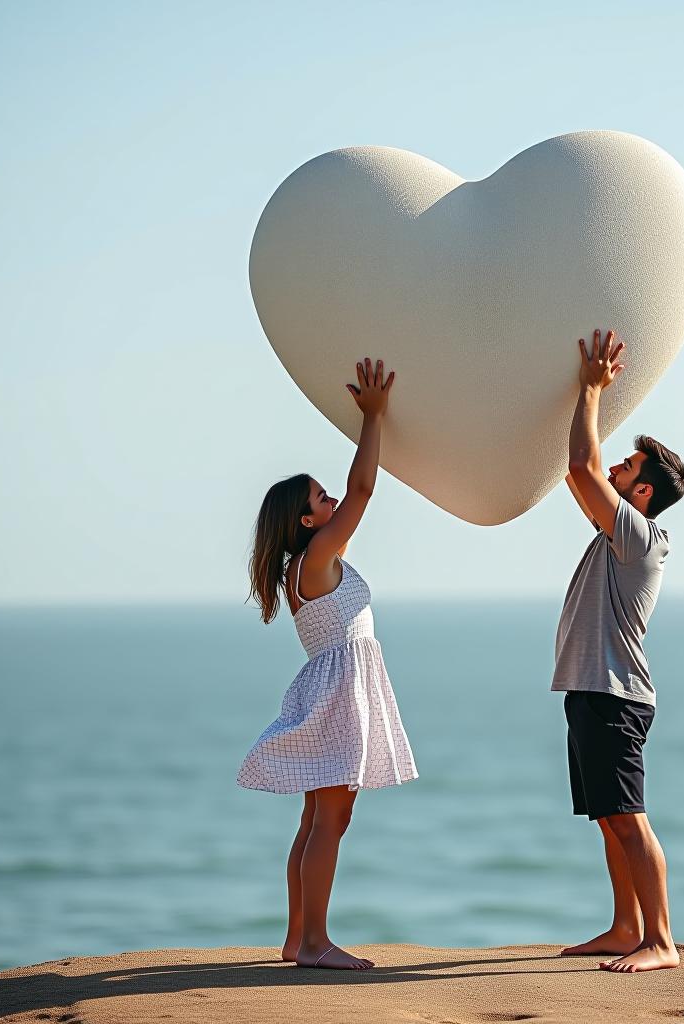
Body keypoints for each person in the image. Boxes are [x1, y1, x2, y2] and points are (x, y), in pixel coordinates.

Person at [237, 357, 418, 971]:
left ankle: (299, 937)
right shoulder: (315, 557)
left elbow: (353, 495)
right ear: (308, 520)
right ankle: (313, 942)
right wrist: (373, 418)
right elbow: (364, 489)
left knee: (320, 818)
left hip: (333, 687)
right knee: (329, 818)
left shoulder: (305, 563)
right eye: (321, 497)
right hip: (341, 693)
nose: (333, 498)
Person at [554, 329, 684, 974]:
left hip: (615, 695)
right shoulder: (621, 536)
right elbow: (584, 474)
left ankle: (660, 941)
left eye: (627, 468)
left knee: (629, 819)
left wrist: (590, 387)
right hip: (593, 691)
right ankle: (626, 926)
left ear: (641, 495)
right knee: (609, 819)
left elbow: (580, 468)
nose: (614, 467)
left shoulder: (640, 538)